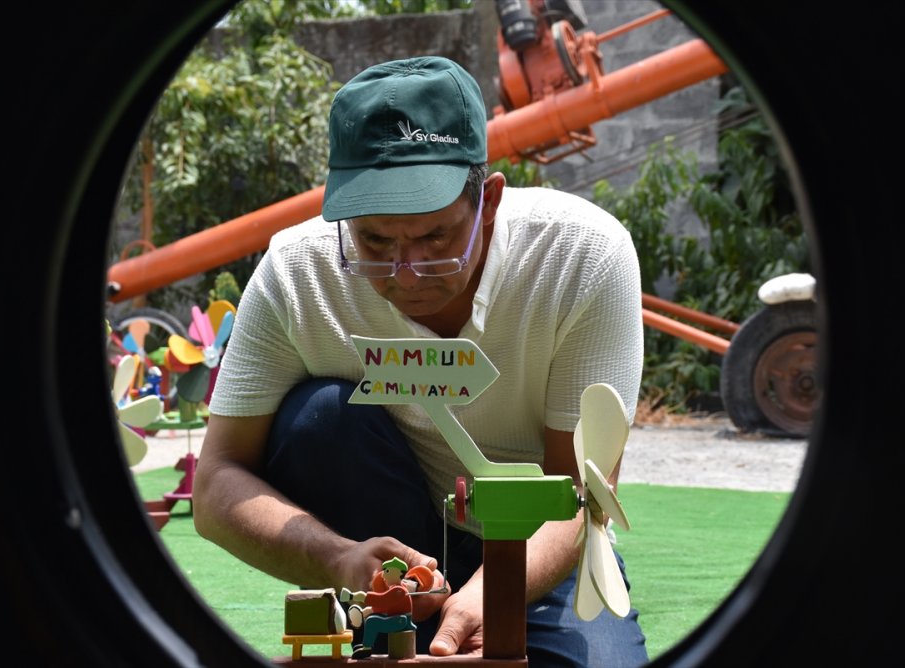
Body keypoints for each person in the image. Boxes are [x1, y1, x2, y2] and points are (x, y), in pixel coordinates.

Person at [193, 55, 648, 667]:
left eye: (434, 238)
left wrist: (495, 589)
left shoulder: (581, 257)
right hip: (384, 556)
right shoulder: (296, 272)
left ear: (488, 201)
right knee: (320, 417)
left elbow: (580, 492)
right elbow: (215, 483)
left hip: (539, 548)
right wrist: (336, 557)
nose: (405, 274)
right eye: (374, 241)